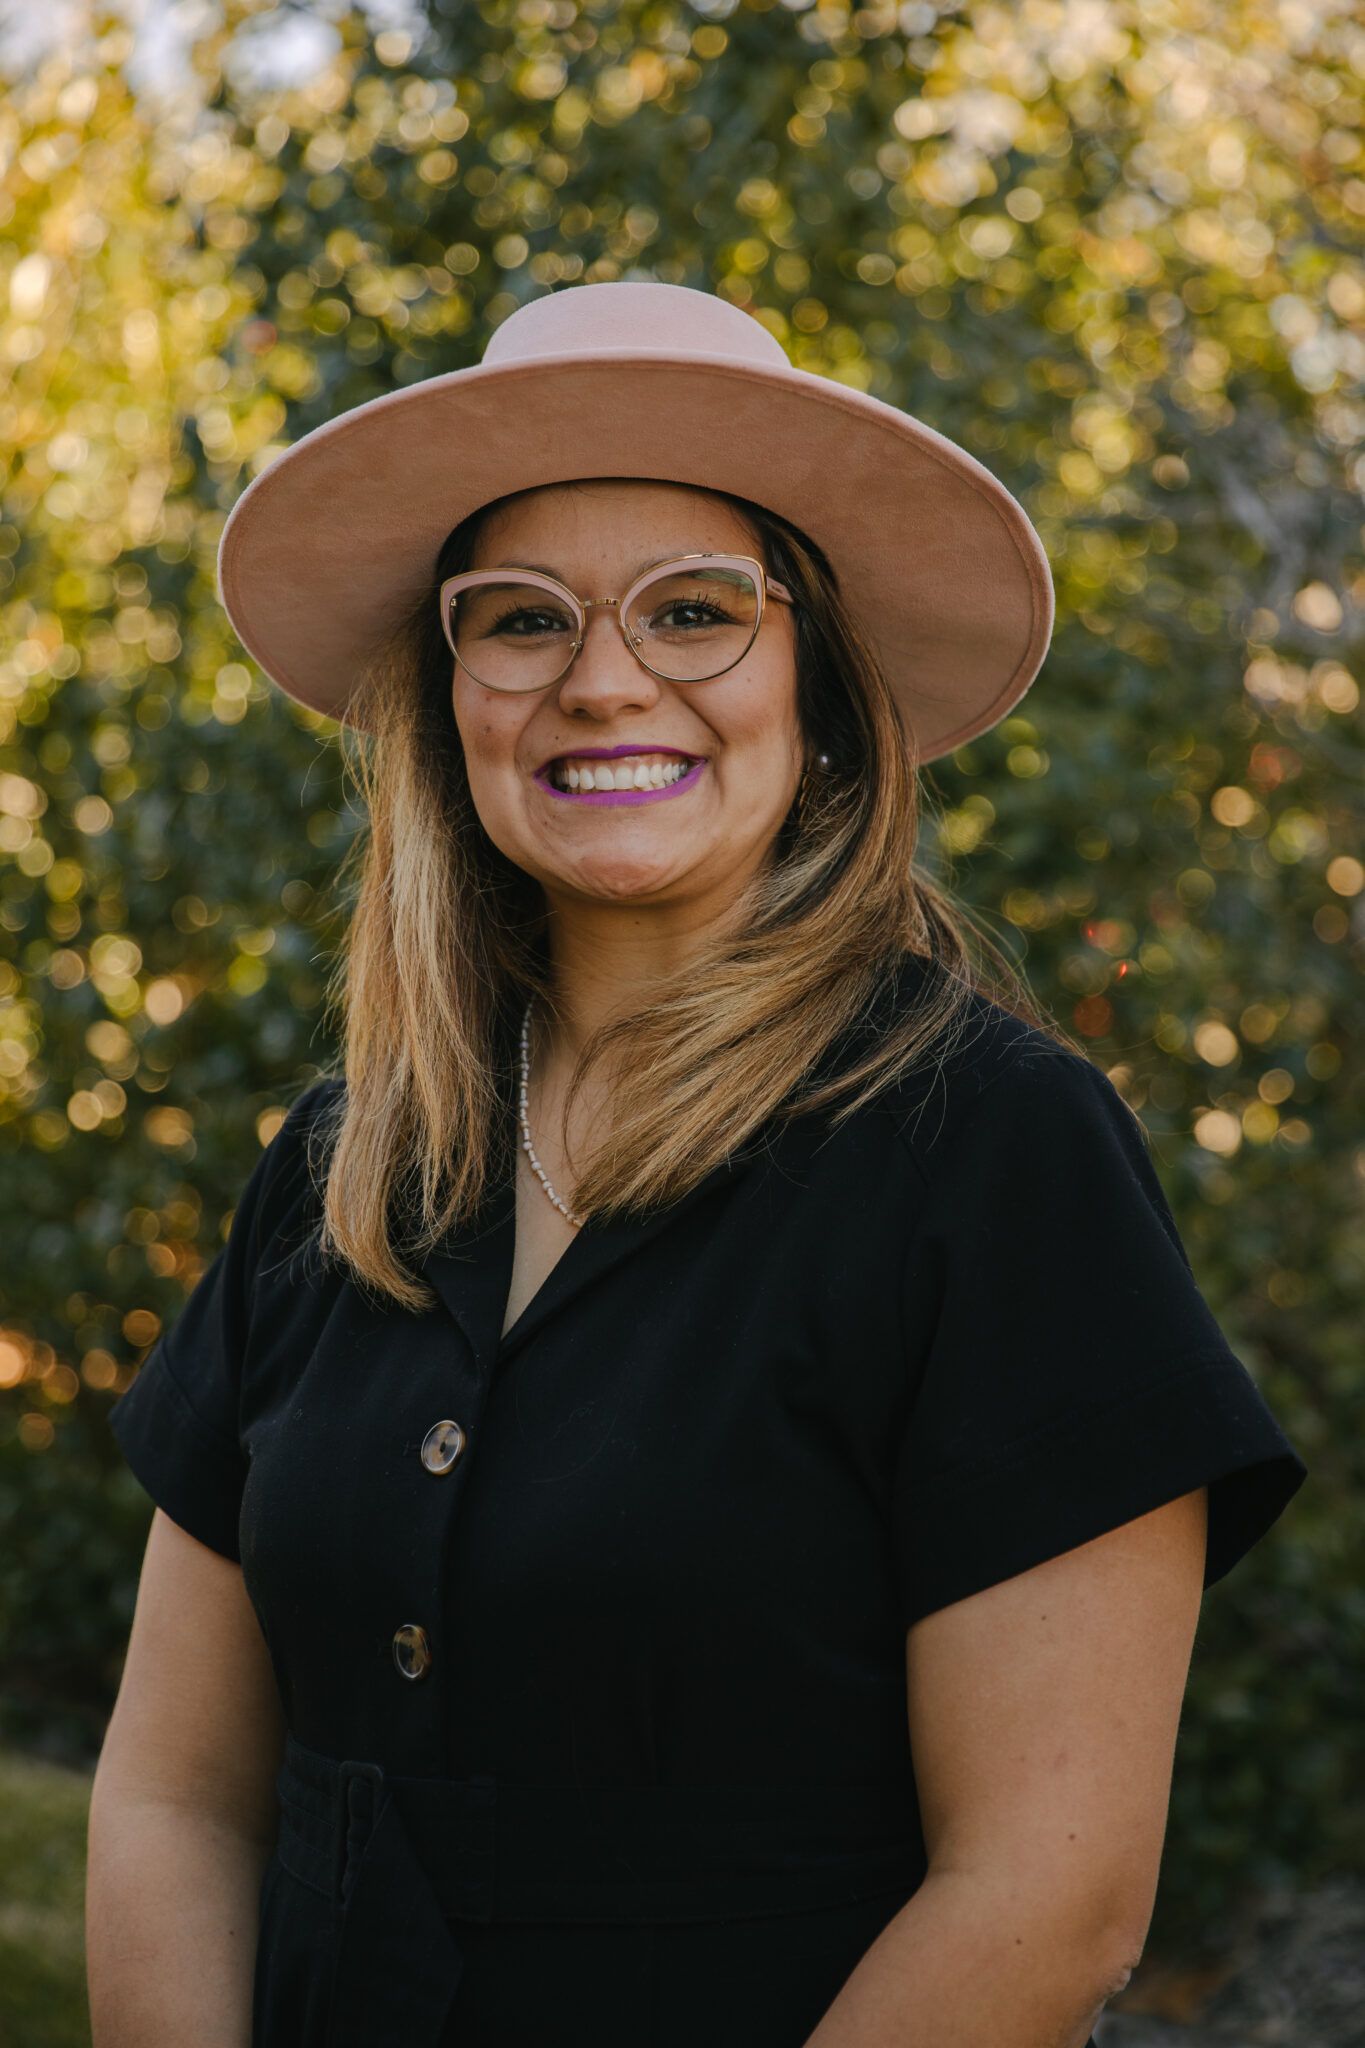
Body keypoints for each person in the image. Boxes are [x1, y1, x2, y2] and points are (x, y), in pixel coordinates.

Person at [86, 282, 1305, 2048]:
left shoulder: (991, 1155)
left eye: (693, 611)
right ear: (449, 702)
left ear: (815, 687)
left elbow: (1049, 1901)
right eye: (517, 620)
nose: (599, 678)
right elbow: (172, 1799)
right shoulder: (341, 1170)